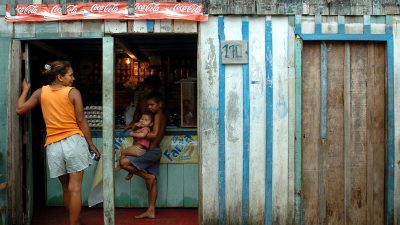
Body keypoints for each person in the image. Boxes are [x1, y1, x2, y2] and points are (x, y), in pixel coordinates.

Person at [16, 60, 101, 225]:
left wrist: (25, 90)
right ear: (60, 77)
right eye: (70, 75)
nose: (73, 78)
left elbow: (19, 110)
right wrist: (91, 145)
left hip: (53, 145)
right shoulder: (73, 92)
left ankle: (74, 221)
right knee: (75, 188)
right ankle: (74, 223)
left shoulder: (41, 92)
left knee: (66, 188)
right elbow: (81, 120)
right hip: (74, 142)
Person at [120, 91, 167, 219]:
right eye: (148, 105)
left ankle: (146, 177)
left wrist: (136, 132)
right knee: (153, 181)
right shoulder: (159, 115)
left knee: (123, 162)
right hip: (155, 151)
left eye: (152, 105)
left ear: (160, 104)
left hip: (151, 152)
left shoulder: (158, 115)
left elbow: (154, 134)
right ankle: (151, 210)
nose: (149, 107)